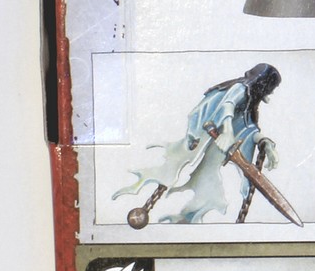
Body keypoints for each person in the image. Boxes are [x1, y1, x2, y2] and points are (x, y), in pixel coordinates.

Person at [111, 64, 281, 225]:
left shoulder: (250, 103)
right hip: (204, 132)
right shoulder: (240, 88)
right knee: (177, 164)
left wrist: (264, 142)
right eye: (272, 88)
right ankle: (147, 208)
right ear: (263, 84)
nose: (272, 92)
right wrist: (228, 131)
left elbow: (248, 127)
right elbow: (227, 104)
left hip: (219, 140)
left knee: (208, 176)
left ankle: (189, 215)